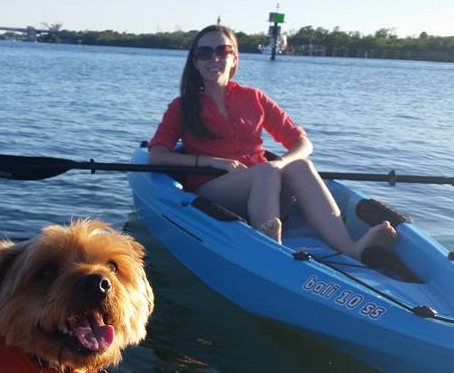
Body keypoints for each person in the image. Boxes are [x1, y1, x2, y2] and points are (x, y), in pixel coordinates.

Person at [147, 24, 396, 261]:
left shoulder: (254, 98)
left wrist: (281, 163)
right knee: (265, 171)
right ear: (195, 62)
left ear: (234, 58)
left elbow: (303, 144)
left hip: (266, 186)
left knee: (299, 165)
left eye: (223, 51)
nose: (214, 58)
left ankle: (351, 248)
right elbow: (156, 155)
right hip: (214, 192)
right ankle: (270, 249)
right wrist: (212, 161)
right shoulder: (182, 106)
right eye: (204, 53)